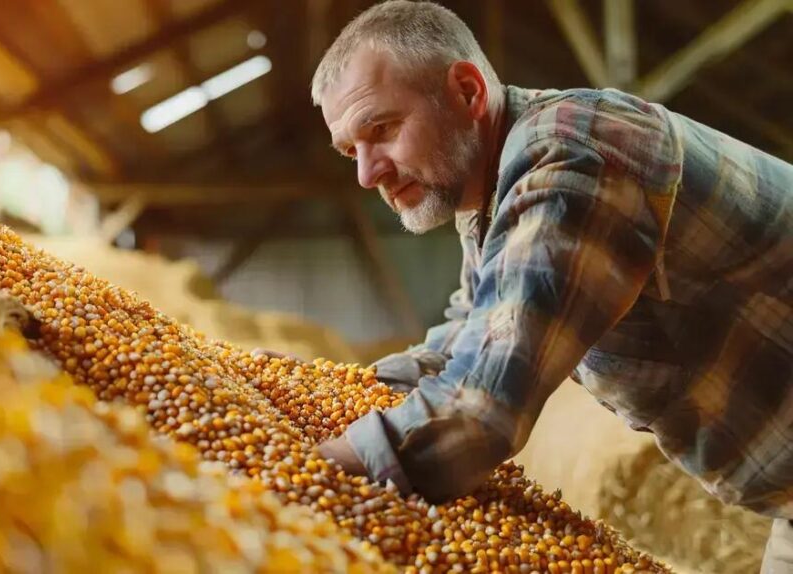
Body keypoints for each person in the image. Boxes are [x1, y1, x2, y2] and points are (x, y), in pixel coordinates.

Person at [307, 1, 793, 571]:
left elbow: (483, 408)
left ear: (467, 91)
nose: (368, 173)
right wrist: (318, 392)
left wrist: (304, 470)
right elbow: (468, 339)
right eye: (351, 151)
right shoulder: (495, 191)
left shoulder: (570, 158)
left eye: (382, 129)